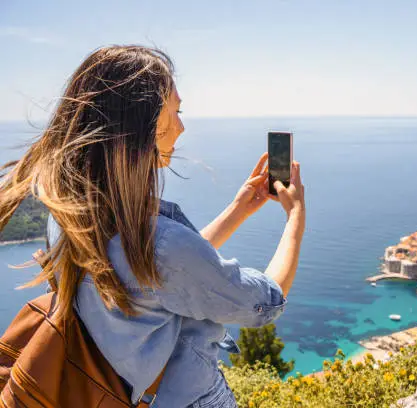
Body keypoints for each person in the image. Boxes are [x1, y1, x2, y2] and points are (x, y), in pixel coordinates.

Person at [0, 45, 305, 407]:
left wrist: (238, 210)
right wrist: (296, 217)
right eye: (175, 111)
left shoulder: (68, 217)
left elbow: (154, 276)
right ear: (141, 127)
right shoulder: (158, 245)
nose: (181, 125)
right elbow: (264, 304)